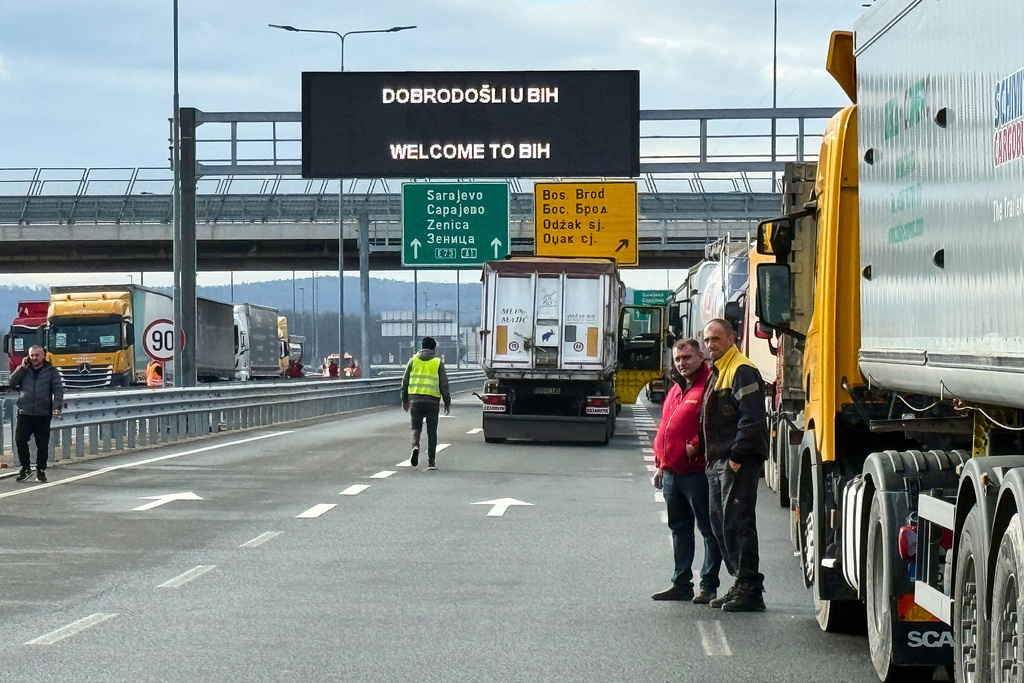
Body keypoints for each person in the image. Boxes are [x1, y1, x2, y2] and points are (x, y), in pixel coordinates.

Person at [700, 318, 770, 612]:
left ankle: (750, 588)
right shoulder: (718, 371)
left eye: (715, 339)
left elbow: (752, 418)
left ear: (731, 339)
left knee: (738, 522)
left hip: (735, 461)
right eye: (706, 340)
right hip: (718, 461)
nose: (709, 345)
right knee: (721, 523)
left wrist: (737, 457)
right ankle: (739, 581)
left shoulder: (741, 369)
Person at [651, 338, 723, 603]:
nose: (682, 363)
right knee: (680, 529)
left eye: (687, 358)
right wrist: (660, 465)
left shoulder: (709, 386)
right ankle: (681, 583)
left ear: (700, 357)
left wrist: (695, 445)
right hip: (671, 472)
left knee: (708, 529)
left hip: (697, 473)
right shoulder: (676, 388)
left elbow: (715, 423)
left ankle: (709, 585)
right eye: (678, 359)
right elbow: (665, 428)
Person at [9, 345, 64, 483]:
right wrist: (22, 368)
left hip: (43, 412)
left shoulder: (51, 371)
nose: (34, 358)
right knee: (20, 440)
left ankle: (41, 470)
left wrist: (56, 406)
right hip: (25, 412)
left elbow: (58, 390)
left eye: (37, 355)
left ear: (43, 356)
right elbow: (11, 383)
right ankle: (26, 468)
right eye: (31, 355)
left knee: (42, 443)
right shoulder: (24, 370)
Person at [401, 336, 451, 471]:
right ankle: (431, 461)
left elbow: (404, 382)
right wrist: (447, 402)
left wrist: (404, 400)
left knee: (416, 427)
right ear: (434, 348)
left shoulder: (413, 361)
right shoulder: (437, 362)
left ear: (421, 347)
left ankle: (415, 446)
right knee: (431, 431)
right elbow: (444, 384)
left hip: (415, 399)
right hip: (432, 401)